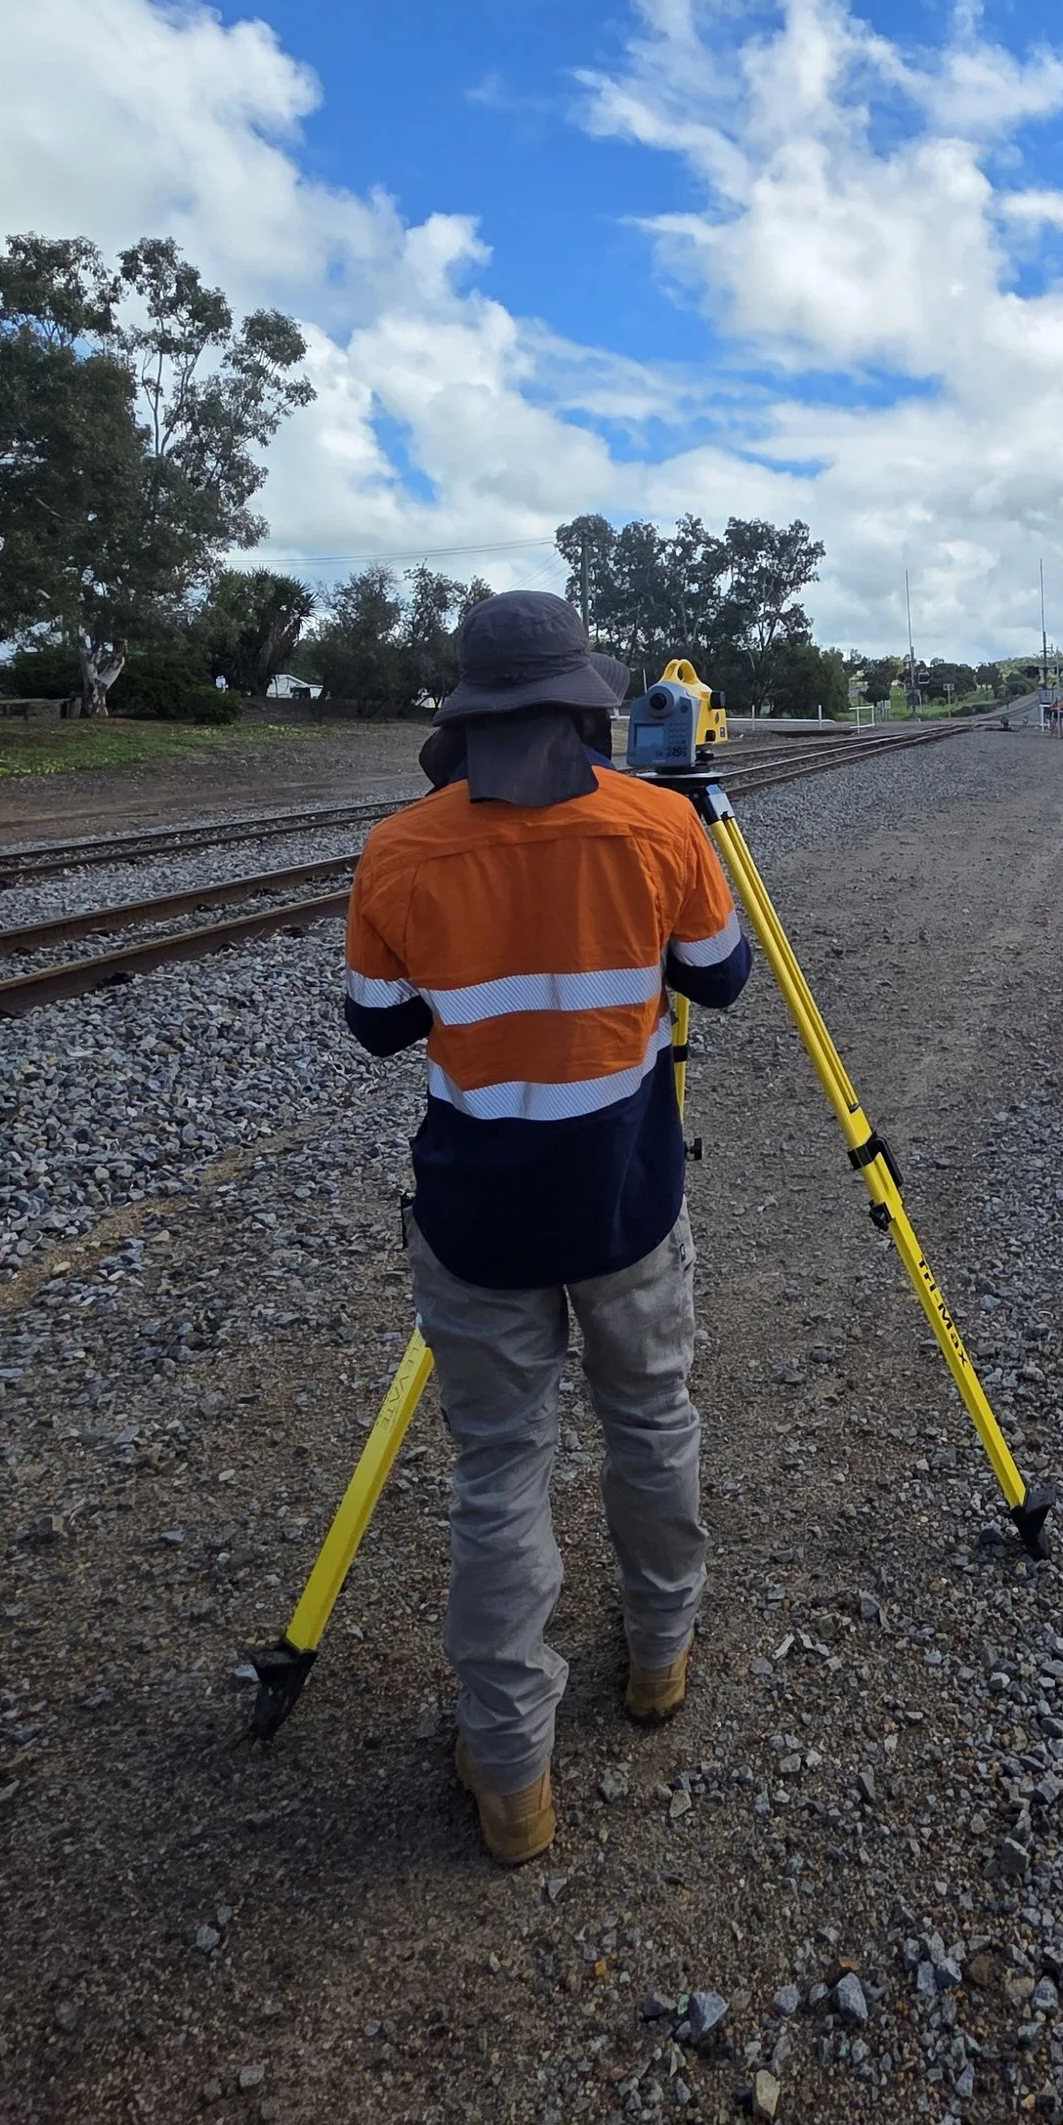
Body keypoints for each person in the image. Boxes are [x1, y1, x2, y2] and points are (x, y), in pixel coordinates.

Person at [341, 591, 751, 1864]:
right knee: (651, 1421)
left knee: (500, 1474)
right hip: (626, 1202)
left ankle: (512, 1775)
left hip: (476, 1215)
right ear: (589, 703)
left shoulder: (398, 848)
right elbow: (723, 977)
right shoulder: (661, 824)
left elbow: (379, 1022)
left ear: (466, 715)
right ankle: (658, 1660)